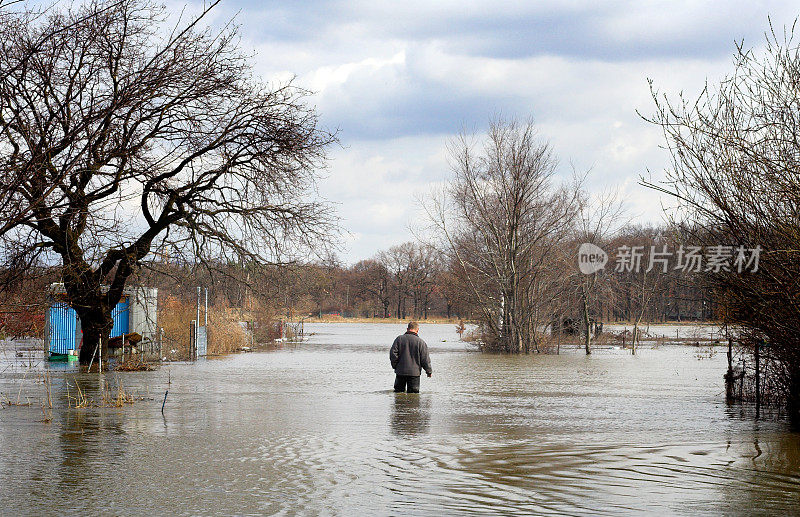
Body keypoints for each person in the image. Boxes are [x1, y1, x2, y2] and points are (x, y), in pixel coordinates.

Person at [390, 321, 432, 393]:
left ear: (407, 329)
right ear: (417, 330)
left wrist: (395, 366)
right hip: (414, 374)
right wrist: (428, 371)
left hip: (400, 372)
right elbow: (425, 359)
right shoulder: (421, 342)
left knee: (398, 394)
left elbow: (393, 354)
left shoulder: (399, 339)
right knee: (413, 397)